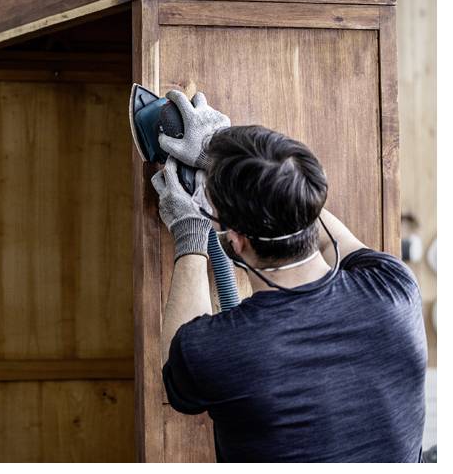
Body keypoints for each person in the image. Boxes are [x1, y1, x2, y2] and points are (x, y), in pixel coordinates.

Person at [152, 90, 427, 462]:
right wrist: (228, 157)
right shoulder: (393, 287)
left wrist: (188, 230)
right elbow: (308, 212)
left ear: (235, 241)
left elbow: (178, 364)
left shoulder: (219, 348)